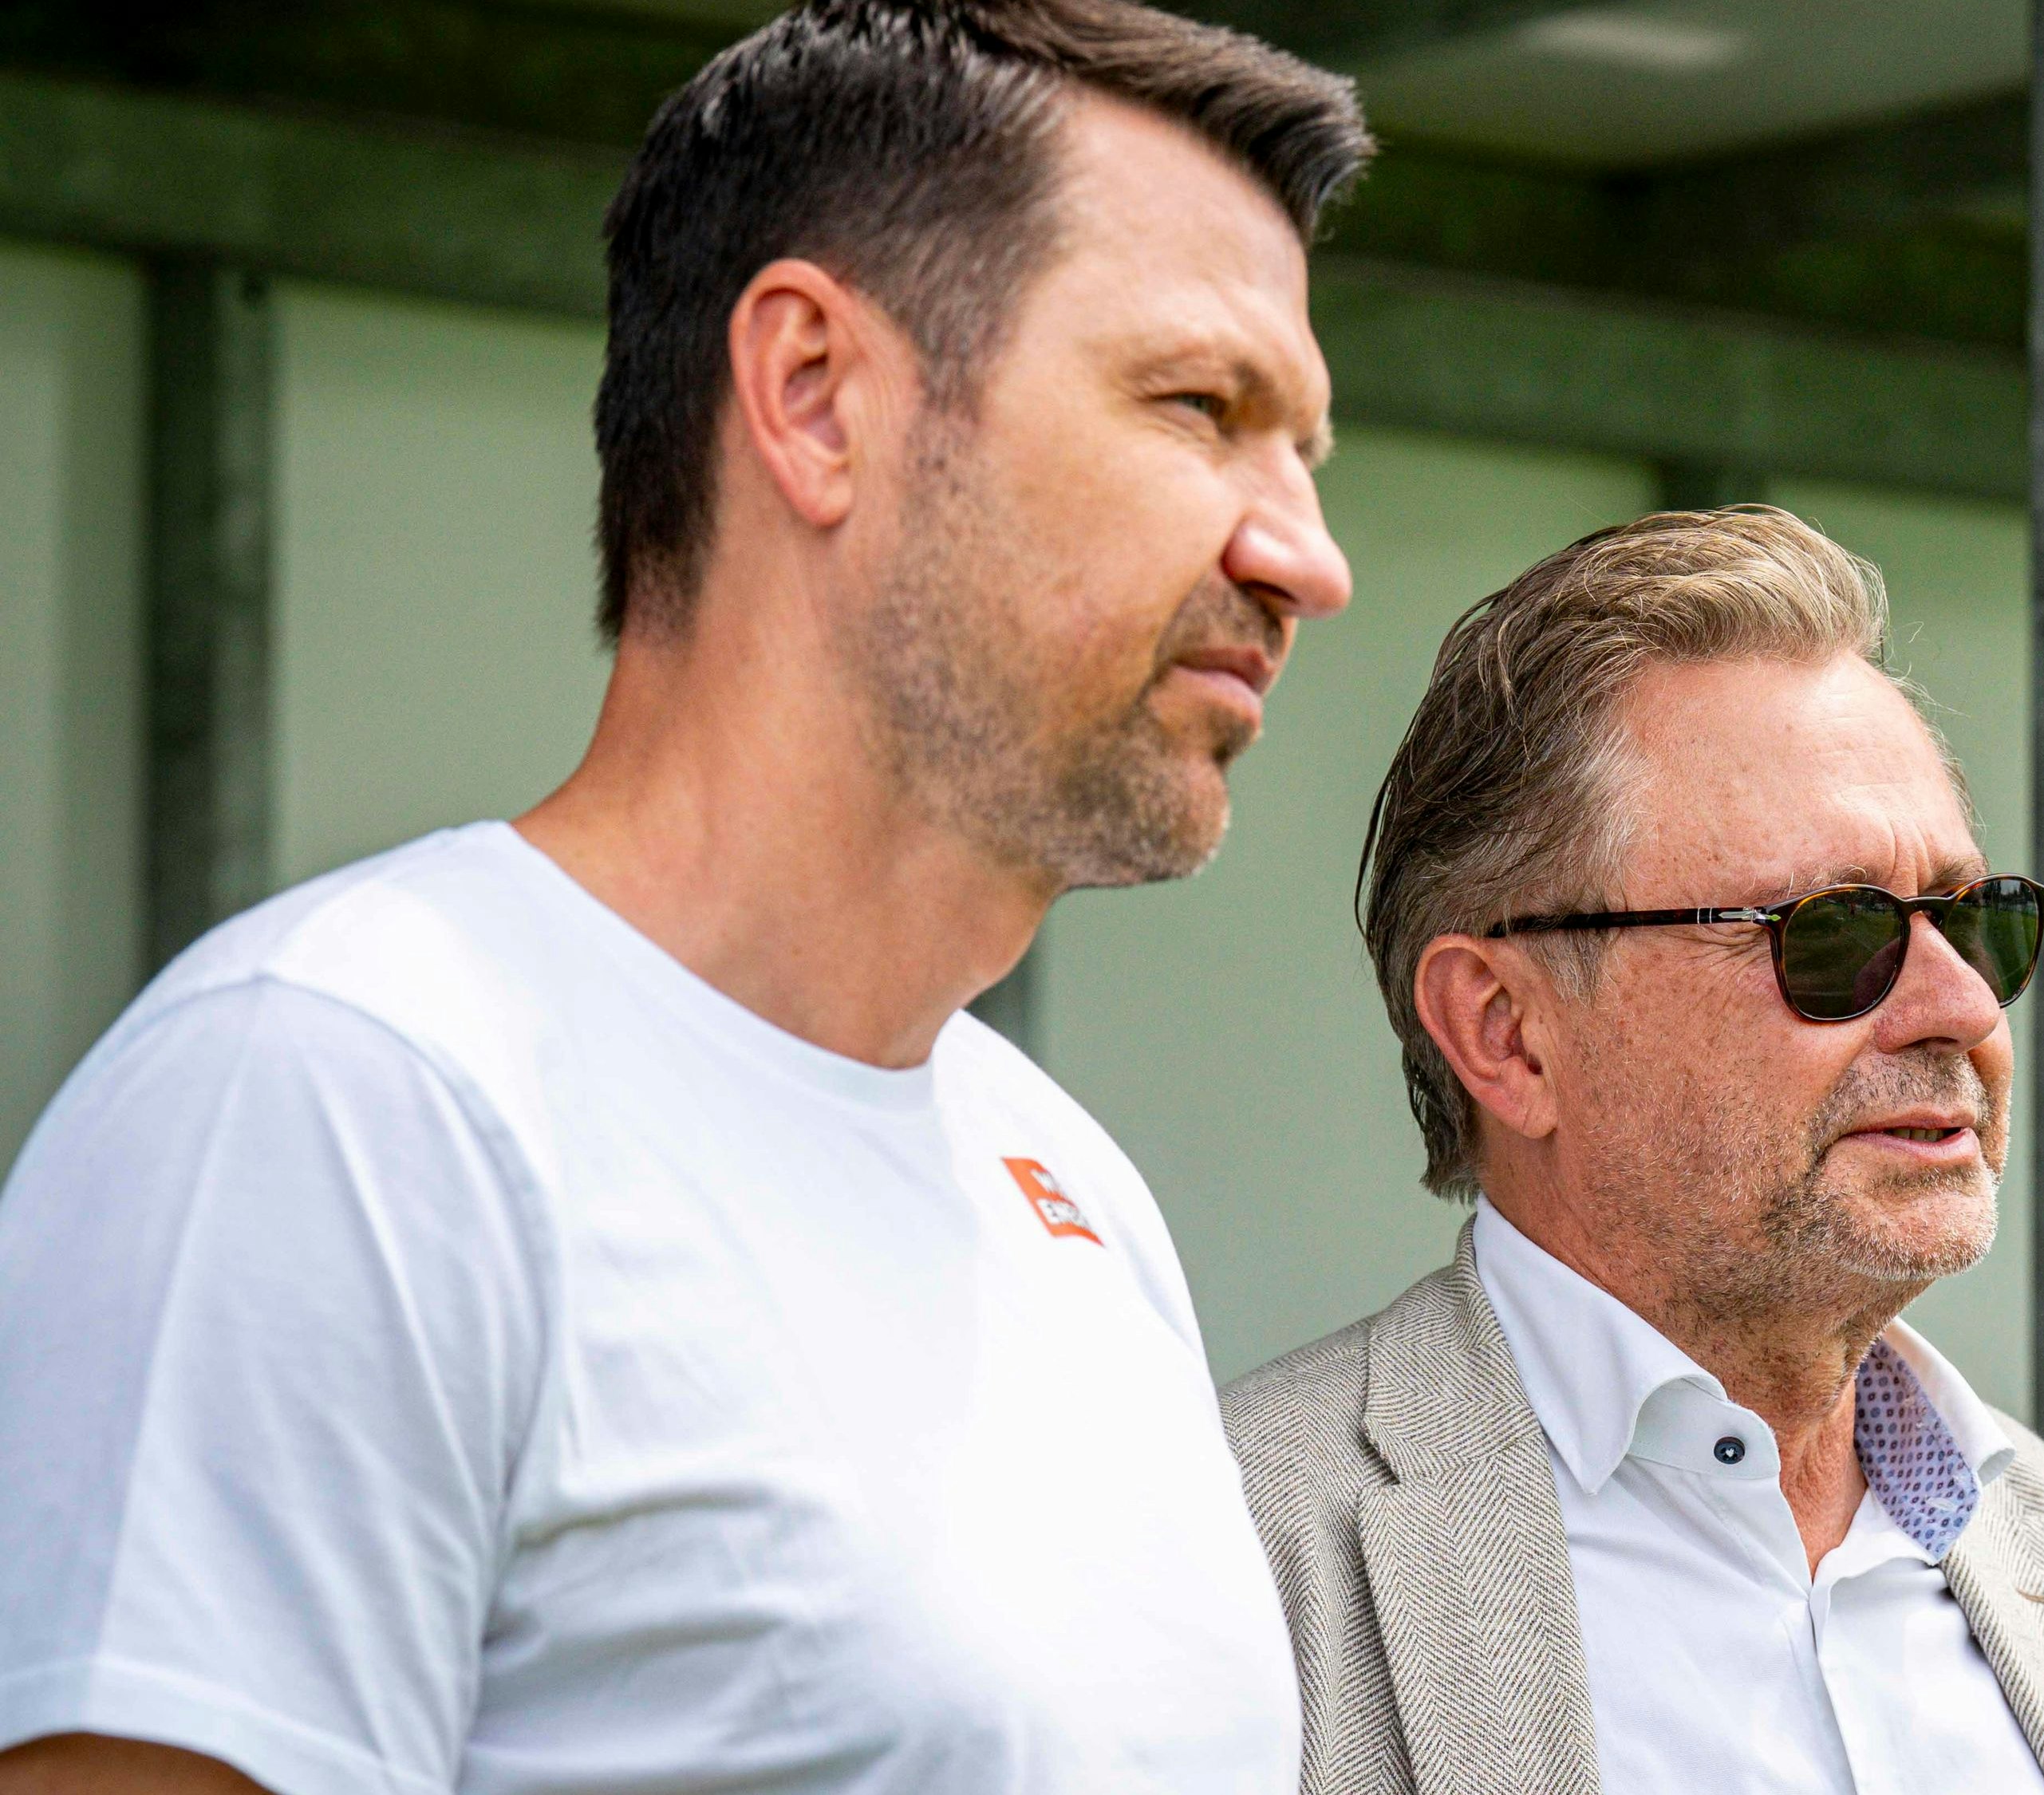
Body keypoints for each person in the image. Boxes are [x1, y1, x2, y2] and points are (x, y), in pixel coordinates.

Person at [0, 4, 1366, 1791]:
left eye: (1307, 459)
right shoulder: (344, 1101)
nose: (1305, 560)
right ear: (813, 396)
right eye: (1202, 408)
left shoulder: (1073, 1198)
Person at [1221, 509, 2044, 1795]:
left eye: (1975, 922)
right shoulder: (1233, 1554)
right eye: (1835, 934)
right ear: (1508, 1033)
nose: (1962, 1007)